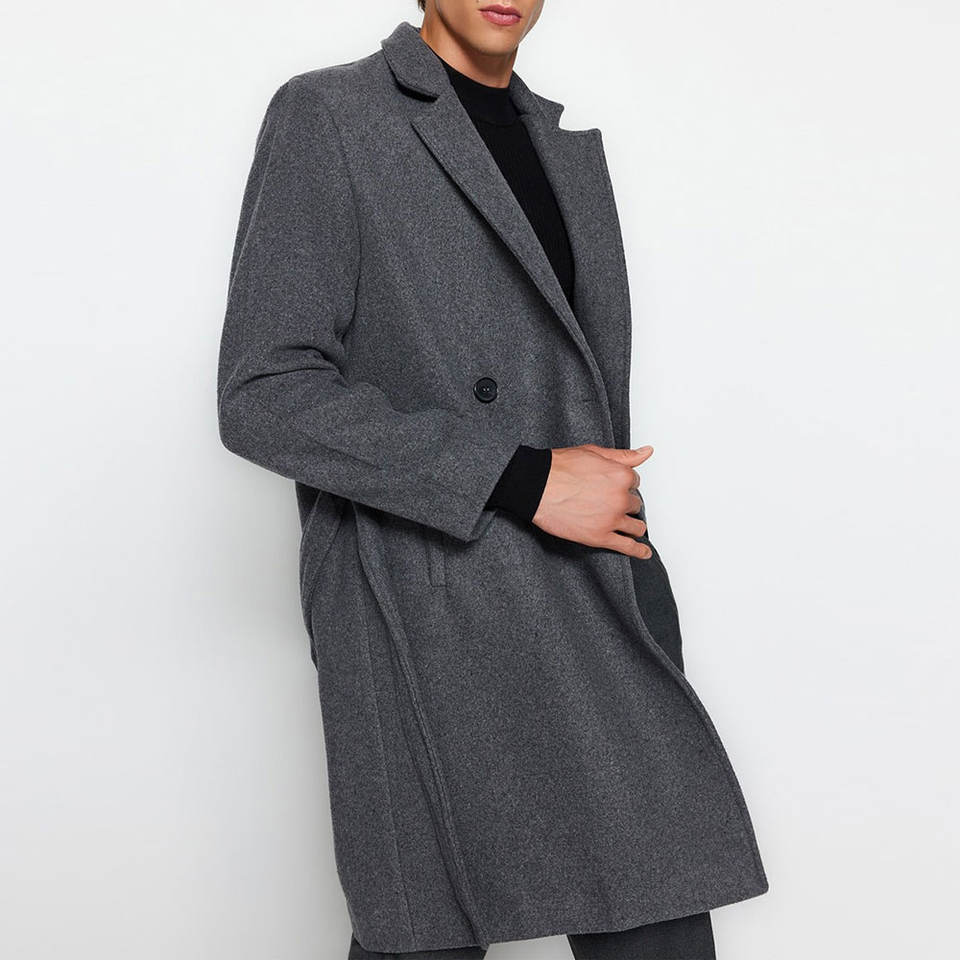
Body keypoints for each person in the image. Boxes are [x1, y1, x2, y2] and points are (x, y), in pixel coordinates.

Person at [217, 3, 769, 958]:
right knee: (428, 933)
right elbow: (262, 394)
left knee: (659, 908)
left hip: (594, 576)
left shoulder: (555, 142)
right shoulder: (333, 114)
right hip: (425, 594)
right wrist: (521, 479)